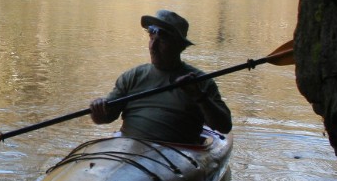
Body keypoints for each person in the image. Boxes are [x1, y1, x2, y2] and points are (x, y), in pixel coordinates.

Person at [89, 9, 231, 143]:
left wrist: (199, 96)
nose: (153, 46)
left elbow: (224, 127)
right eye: (151, 37)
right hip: (128, 150)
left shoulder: (200, 82)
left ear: (180, 46)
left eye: (162, 39)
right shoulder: (132, 77)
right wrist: (97, 110)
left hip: (175, 157)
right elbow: (105, 117)